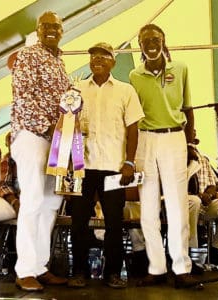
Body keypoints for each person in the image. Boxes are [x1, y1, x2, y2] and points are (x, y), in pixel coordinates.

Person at [129, 24, 202, 289]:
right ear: (139, 44)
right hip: (145, 140)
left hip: (174, 137)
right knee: (147, 208)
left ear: (163, 41)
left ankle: (181, 268)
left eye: (155, 38)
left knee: (177, 206)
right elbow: (133, 117)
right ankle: (156, 269)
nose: (150, 43)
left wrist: (190, 142)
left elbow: (188, 108)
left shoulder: (180, 68)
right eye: (145, 39)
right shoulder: (134, 75)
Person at [67, 42, 144, 289]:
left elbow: (133, 129)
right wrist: (68, 162)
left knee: (114, 223)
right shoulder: (76, 90)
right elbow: (68, 127)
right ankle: (78, 271)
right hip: (82, 167)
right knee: (78, 222)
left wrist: (130, 162)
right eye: (93, 56)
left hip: (114, 167)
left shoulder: (126, 91)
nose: (97, 59)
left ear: (113, 61)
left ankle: (112, 273)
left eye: (103, 56)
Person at [10, 11, 69, 291]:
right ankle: (24, 270)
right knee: (33, 201)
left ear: (62, 30)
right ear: (37, 29)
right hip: (33, 136)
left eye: (55, 26)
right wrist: (48, 128)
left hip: (55, 141)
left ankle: (40, 265)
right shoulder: (28, 55)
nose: (51, 30)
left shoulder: (60, 62)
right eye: (45, 25)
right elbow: (23, 97)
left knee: (50, 204)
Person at [187, 134, 218, 271]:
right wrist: (198, 194)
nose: (193, 132)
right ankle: (187, 256)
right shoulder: (175, 154)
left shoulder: (202, 158)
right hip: (185, 202)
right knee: (194, 201)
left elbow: (214, 182)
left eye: (194, 131)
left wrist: (210, 193)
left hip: (205, 204)